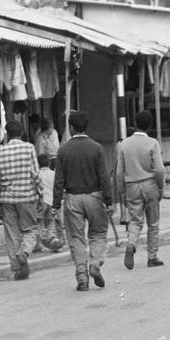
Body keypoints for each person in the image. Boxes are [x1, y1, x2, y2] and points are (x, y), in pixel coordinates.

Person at [53, 109, 113, 292]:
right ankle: (95, 264)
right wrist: (109, 201)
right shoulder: (97, 148)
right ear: (86, 127)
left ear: (71, 127)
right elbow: (104, 177)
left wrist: (55, 204)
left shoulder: (63, 150)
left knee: (76, 238)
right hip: (94, 197)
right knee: (98, 233)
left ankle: (82, 277)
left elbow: (58, 180)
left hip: (72, 198)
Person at [115, 109, 165, 269]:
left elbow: (119, 171)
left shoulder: (124, 144)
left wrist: (121, 190)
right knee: (153, 222)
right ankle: (152, 256)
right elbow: (159, 169)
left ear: (135, 124)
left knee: (135, 221)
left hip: (132, 185)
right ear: (150, 125)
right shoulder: (153, 143)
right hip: (150, 184)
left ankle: (131, 244)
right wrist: (160, 186)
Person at [0, 119, 40, 280]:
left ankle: (17, 269)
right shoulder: (29, 148)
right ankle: (24, 253)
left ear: (7, 134)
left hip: (7, 199)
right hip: (27, 196)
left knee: (12, 234)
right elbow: (35, 174)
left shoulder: (0, 151)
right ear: (22, 133)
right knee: (30, 229)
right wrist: (40, 192)